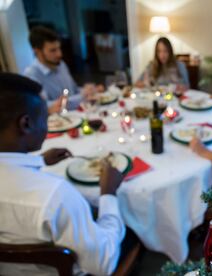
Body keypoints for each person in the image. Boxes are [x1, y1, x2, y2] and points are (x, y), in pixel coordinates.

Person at [0, 73, 125, 275]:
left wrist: (39, 161)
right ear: (26, 124)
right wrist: (108, 192)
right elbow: (104, 262)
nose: (48, 123)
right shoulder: (54, 196)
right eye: (46, 117)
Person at [24, 26, 103, 114]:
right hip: (59, 123)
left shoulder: (61, 64)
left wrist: (88, 90)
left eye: (59, 48)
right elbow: (44, 106)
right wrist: (83, 95)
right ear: (37, 52)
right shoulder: (32, 74)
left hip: (78, 114)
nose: (59, 54)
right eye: (53, 50)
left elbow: (73, 90)